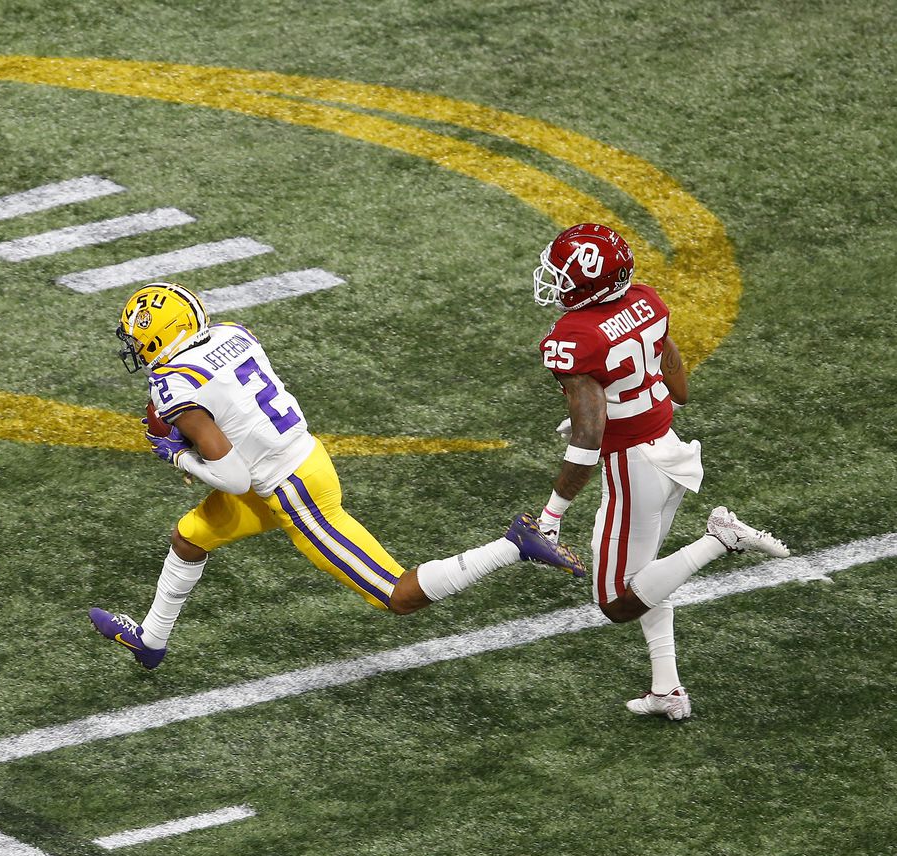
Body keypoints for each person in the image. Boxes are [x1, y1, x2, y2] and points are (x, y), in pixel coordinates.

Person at [90, 280, 586, 669]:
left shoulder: (172, 383)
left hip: (289, 488)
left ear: (159, 336)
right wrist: (194, 437)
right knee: (191, 535)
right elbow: (234, 410)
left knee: (397, 595)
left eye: (138, 338)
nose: (134, 348)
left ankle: (513, 545)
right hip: (300, 455)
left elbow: (235, 477)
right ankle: (151, 641)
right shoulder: (232, 333)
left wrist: (178, 454)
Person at [531, 223, 790, 720]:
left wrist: (553, 512)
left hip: (634, 468)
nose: (557, 283)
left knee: (615, 601)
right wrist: (625, 407)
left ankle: (721, 538)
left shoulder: (573, 337)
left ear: (589, 284)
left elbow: (587, 441)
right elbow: (670, 372)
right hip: (665, 447)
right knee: (646, 577)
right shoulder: (645, 299)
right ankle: (667, 689)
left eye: (564, 275)